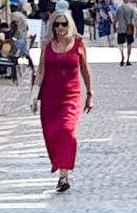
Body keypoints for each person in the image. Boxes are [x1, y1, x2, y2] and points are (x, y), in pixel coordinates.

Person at [31, 10, 93, 194]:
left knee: (67, 131)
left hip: (71, 97)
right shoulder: (47, 45)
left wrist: (90, 94)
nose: (60, 28)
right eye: (56, 24)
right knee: (51, 135)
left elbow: (85, 70)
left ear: (70, 25)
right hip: (49, 97)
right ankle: (60, 169)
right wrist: (34, 96)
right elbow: (41, 70)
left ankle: (64, 176)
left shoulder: (79, 44)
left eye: (63, 24)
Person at [114, 0, 137, 66]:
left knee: (120, 44)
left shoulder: (119, 8)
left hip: (121, 28)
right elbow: (134, 20)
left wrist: (114, 27)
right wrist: (136, 30)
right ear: (129, 0)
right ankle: (128, 59)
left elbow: (115, 19)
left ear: (123, 0)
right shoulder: (132, 8)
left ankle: (122, 56)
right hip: (129, 29)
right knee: (129, 44)